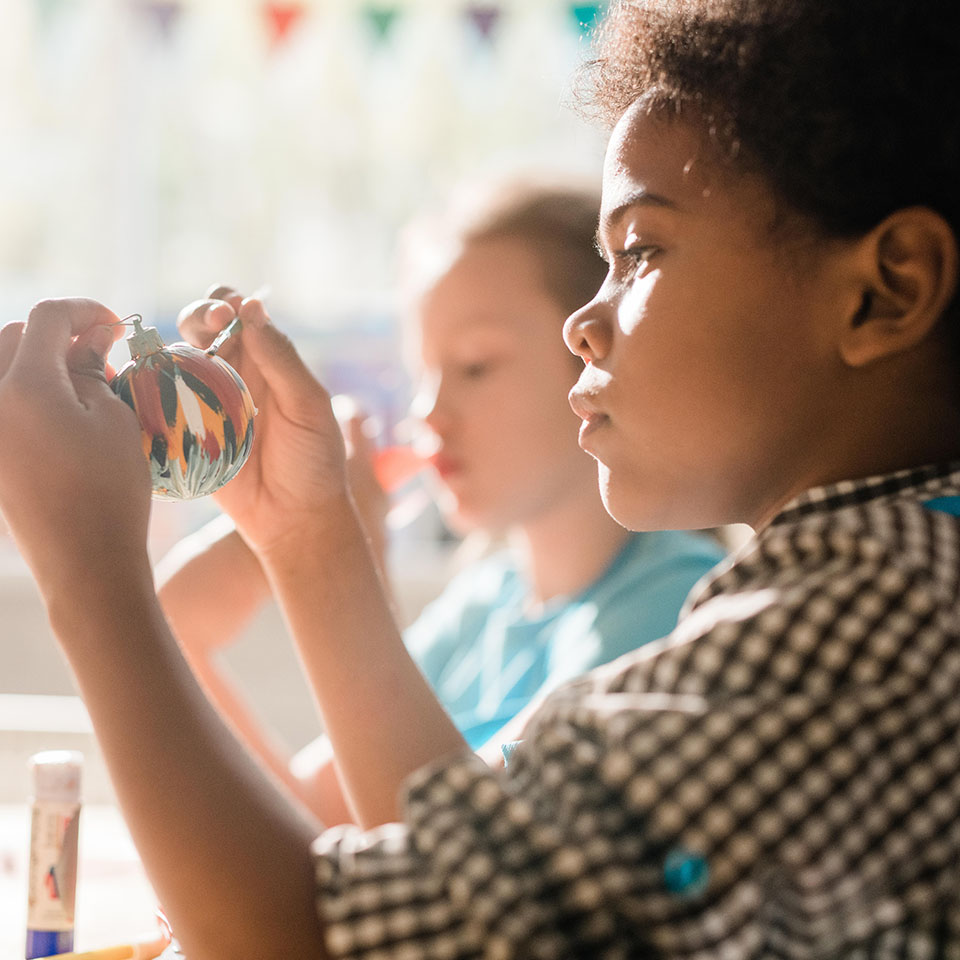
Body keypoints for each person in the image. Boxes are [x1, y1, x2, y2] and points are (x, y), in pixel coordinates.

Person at [1, 0, 959, 955]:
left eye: (641, 253)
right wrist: (309, 533)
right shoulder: (846, 587)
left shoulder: (878, 618)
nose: (585, 324)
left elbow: (311, 938)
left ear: (888, 289)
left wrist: (86, 565)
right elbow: (468, 877)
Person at [154, 181, 724, 824]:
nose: (429, 412)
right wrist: (180, 634)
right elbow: (322, 818)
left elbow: (432, 855)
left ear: (595, 355)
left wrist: (326, 550)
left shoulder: (673, 616)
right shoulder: (485, 605)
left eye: (476, 366)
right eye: (422, 372)